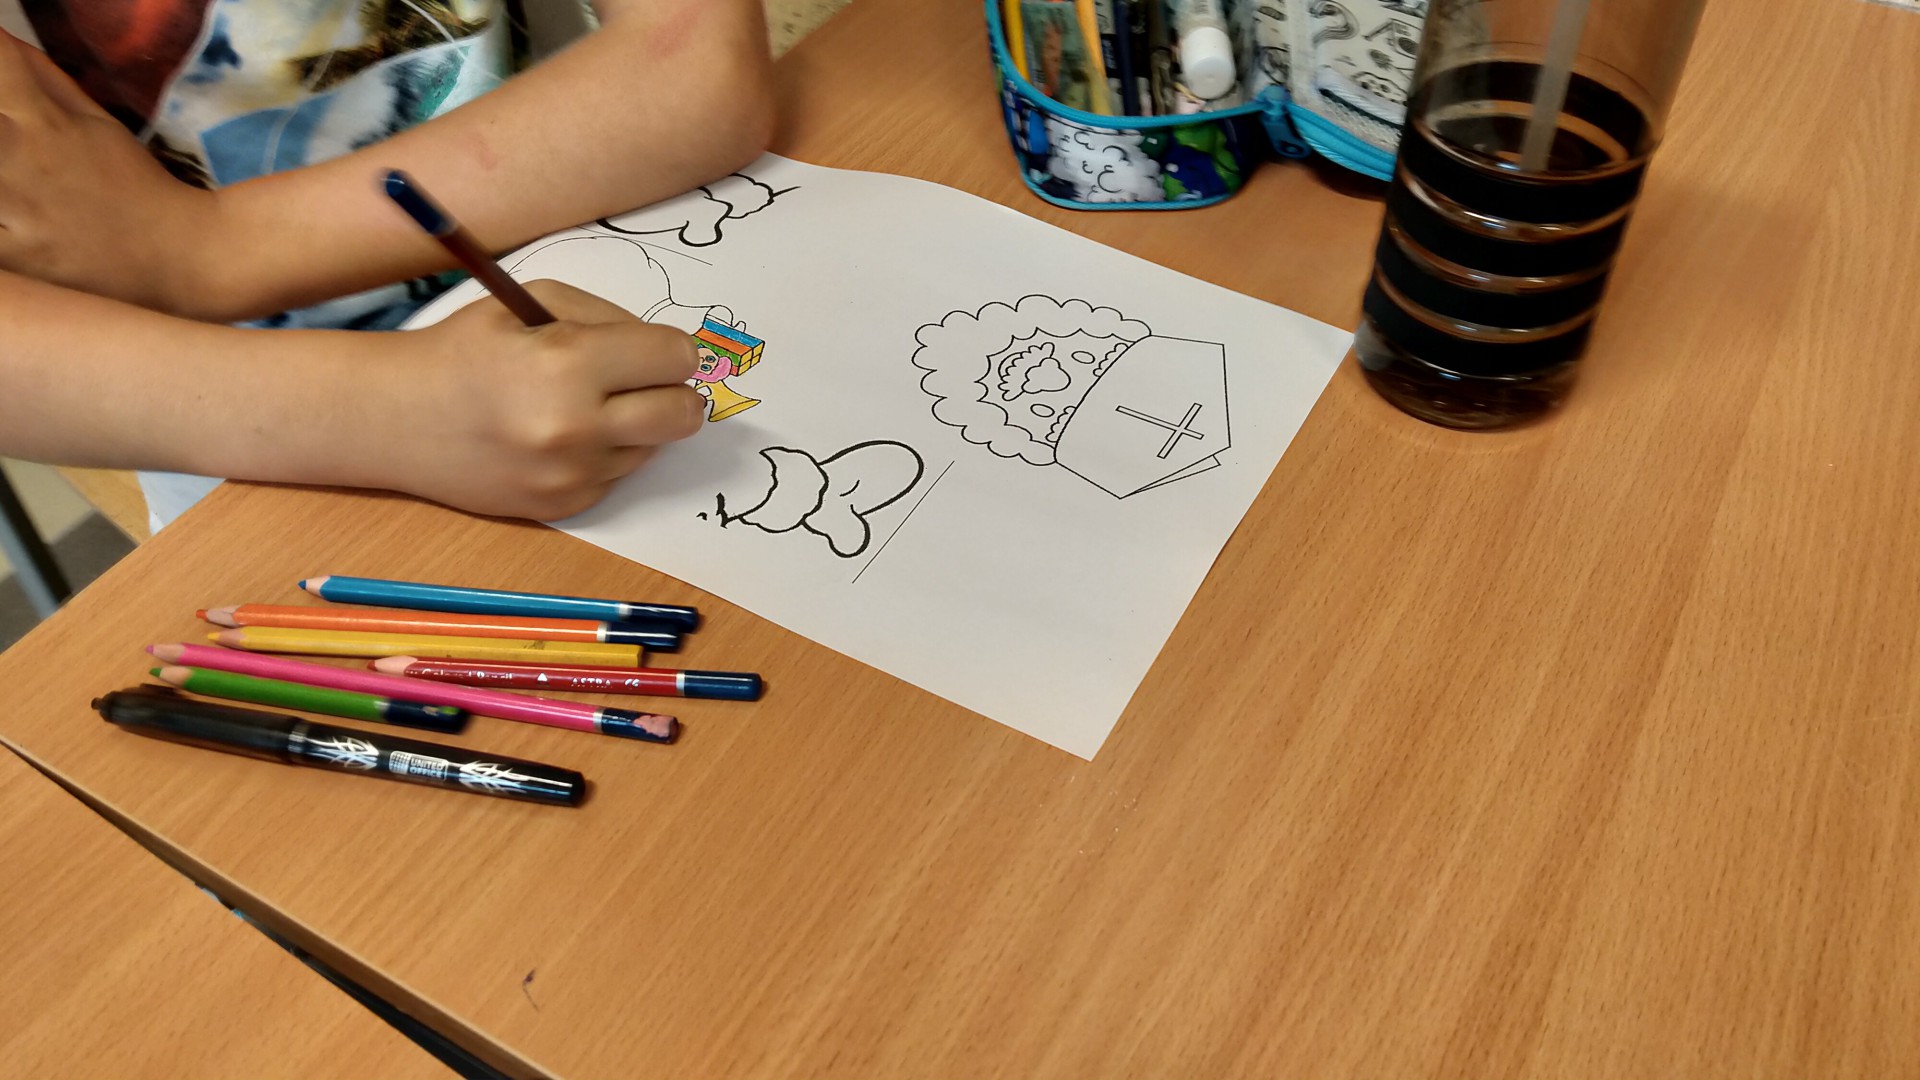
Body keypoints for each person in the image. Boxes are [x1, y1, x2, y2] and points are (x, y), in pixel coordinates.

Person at [0, 1, 775, 529]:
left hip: (605, 264)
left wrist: (208, 249)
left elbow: (693, 66)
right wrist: (385, 408)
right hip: (239, 426)